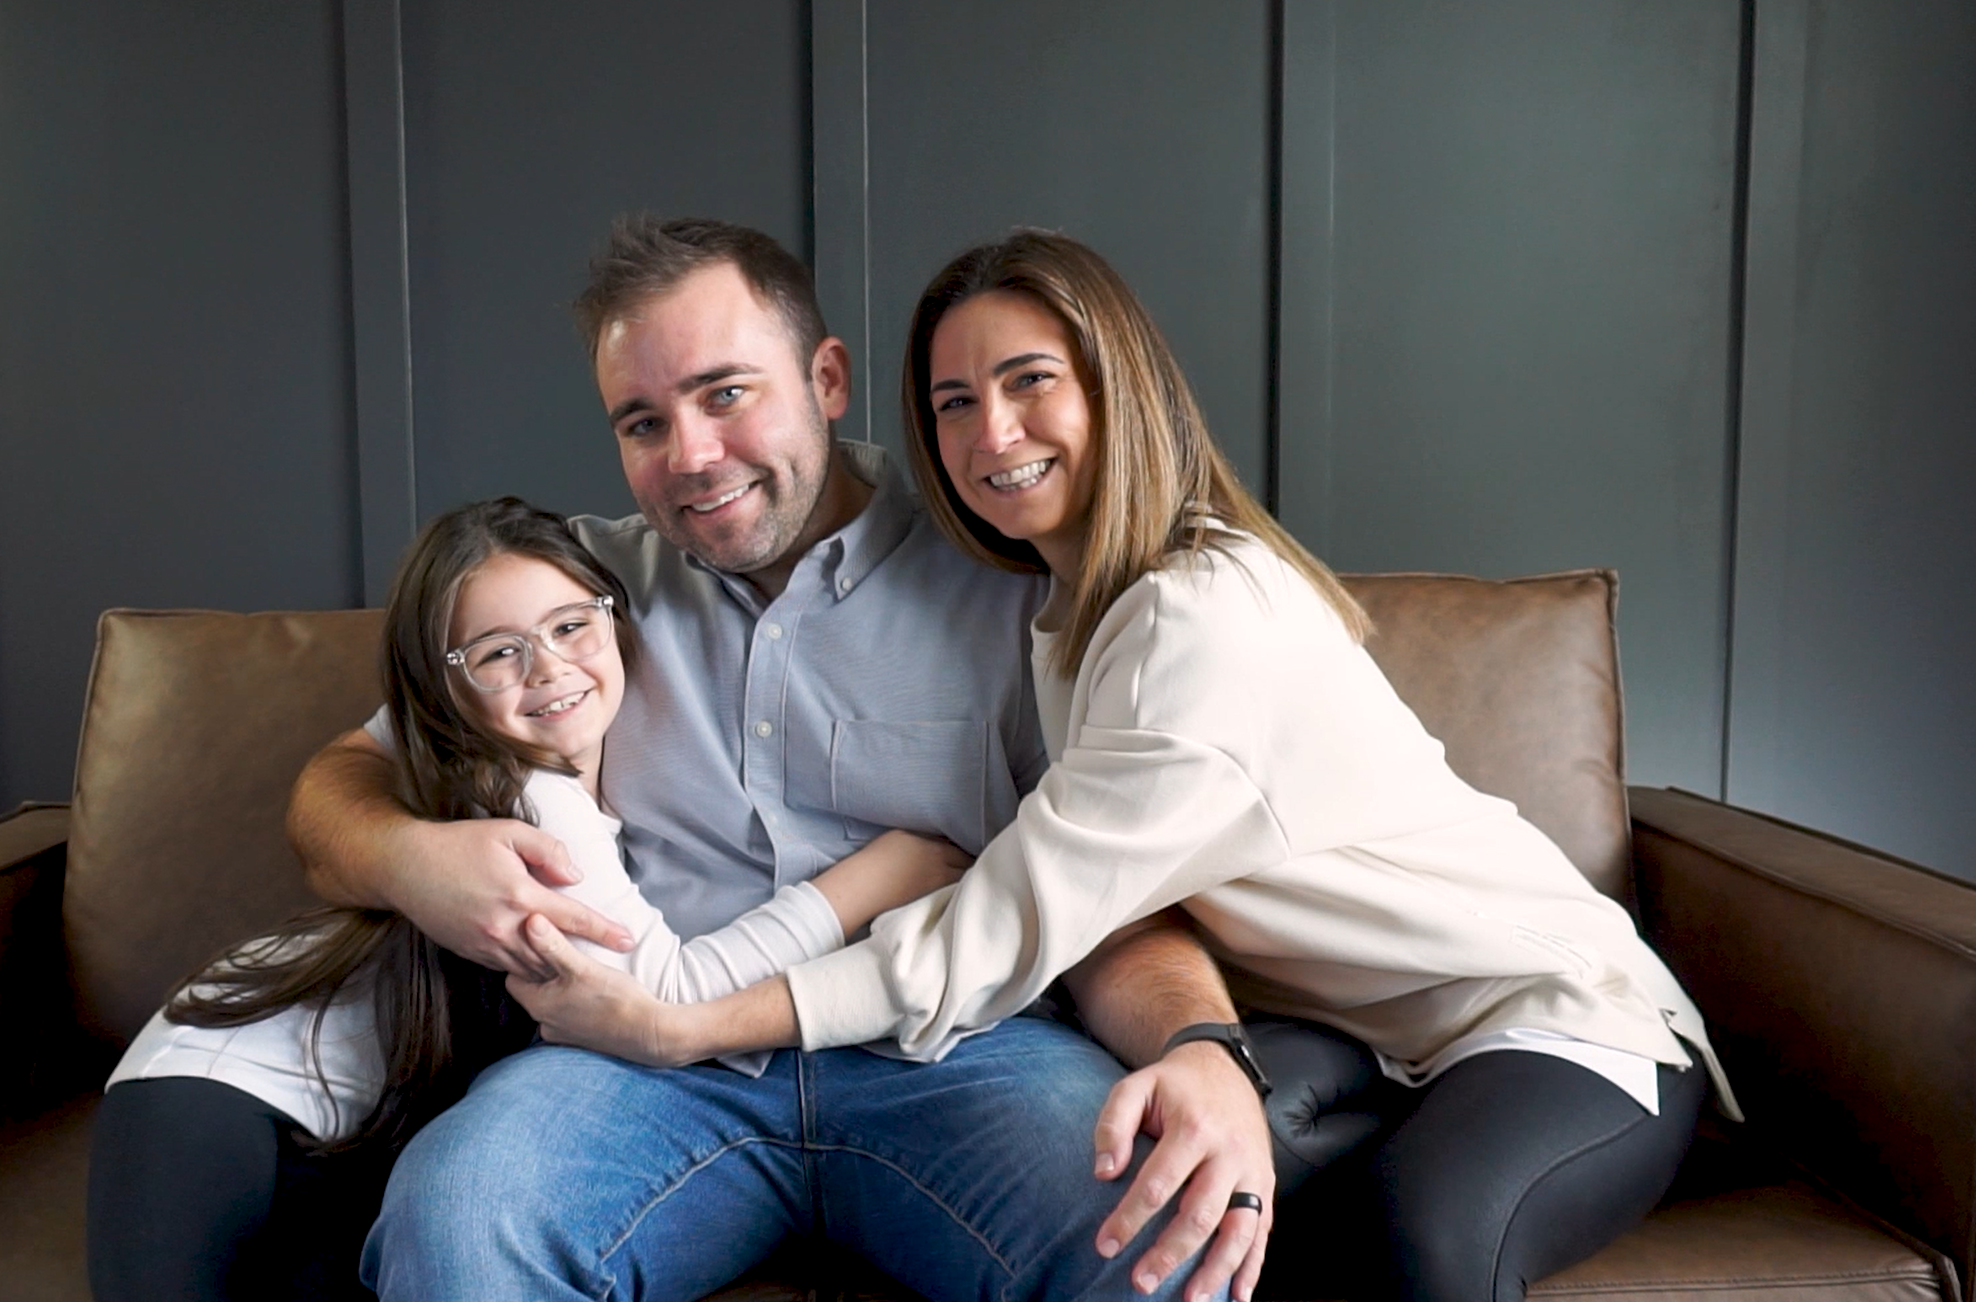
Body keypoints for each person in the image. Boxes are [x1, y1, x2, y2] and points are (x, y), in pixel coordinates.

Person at [508, 230, 1742, 1302]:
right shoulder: (1061, 609)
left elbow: (1006, 917)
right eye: (951, 402)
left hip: (1553, 1020)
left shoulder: (1199, 617)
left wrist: (688, 1025)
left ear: (1118, 387)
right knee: (1172, 1196)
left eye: (1029, 382)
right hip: (1368, 1038)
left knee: (1425, 1227)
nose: (991, 435)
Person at [290, 216, 1276, 1301]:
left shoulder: (1011, 578)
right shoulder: (575, 599)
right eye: (643, 422)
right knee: (458, 1218)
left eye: (726, 394)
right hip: (636, 1074)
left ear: (828, 377)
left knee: (1161, 1239)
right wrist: (407, 861)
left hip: (958, 1054)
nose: (692, 458)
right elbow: (344, 781)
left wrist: (1203, 1046)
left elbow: (1110, 894)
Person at [86, 497, 969, 1301]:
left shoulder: (576, 781)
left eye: (569, 626)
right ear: (447, 688)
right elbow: (666, 992)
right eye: (500, 652)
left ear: (612, 619)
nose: (549, 668)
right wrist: (876, 875)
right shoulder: (529, 800)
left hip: (349, 1135)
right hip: (217, 1090)